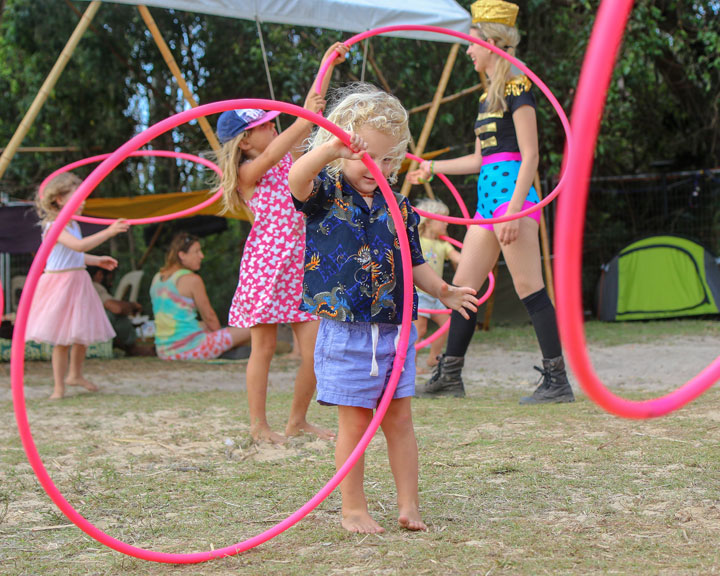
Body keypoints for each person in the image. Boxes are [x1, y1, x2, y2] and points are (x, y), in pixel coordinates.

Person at [288, 83, 479, 534]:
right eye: (368, 155)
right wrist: (331, 147)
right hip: (345, 328)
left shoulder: (401, 207)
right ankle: (352, 509)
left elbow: (414, 261)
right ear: (342, 150)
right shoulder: (327, 192)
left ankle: (409, 505)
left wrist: (445, 290)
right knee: (354, 424)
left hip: (395, 328)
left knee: (400, 418)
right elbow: (297, 178)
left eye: (390, 158)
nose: (380, 166)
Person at [408, 0, 575, 404]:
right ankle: (450, 374)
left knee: (528, 286)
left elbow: (530, 155)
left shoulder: (519, 88)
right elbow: (484, 158)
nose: (468, 50)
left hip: (511, 199)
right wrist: (434, 168)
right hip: (488, 199)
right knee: (463, 286)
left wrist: (516, 210)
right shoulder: (489, 97)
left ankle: (557, 381)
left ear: (492, 43)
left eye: (473, 43)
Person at [212, 42, 349, 444]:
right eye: (264, 126)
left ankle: (297, 421)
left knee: (315, 349)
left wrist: (325, 63)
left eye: (274, 123)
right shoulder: (250, 172)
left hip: (303, 261)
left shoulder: (287, 157)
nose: (273, 129)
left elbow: (312, 109)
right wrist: (303, 116)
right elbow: (283, 142)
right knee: (264, 347)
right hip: (267, 264)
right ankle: (258, 426)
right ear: (244, 143)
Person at [25, 173, 129, 399]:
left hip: (78, 282)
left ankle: (75, 375)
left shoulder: (73, 224)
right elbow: (78, 246)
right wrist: (109, 231)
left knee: (81, 334)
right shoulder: (55, 225)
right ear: (60, 199)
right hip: (59, 284)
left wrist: (96, 260)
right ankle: (58, 387)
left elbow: (74, 254)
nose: (83, 201)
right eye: (77, 196)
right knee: (62, 339)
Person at [149, 232, 251, 361]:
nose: (201, 256)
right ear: (182, 255)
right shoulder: (192, 279)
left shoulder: (157, 278)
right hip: (189, 350)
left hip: (164, 351)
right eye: (196, 252)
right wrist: (221, 339)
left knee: (202, 325)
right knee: (252, 329)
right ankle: (228, 352)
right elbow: (209, 317)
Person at [412, 198, 461, 373]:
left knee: (448, 324)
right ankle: (411, 363)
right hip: (419, 293)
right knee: (419, 329)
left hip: (437, 295)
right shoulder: (417, 241)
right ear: (429, 221)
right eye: (443, 220)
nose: (447, 224)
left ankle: (434, 356)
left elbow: (458, 258)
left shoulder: (444, 244)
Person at [87, 266, 145, 355]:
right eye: (111, 275)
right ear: (99, 274)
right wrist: (133, 306)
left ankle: (130, 348)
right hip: (90, 338)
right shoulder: (94, 286)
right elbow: (117, 308)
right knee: (113, 314)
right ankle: (131, 348)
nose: (112, 281)